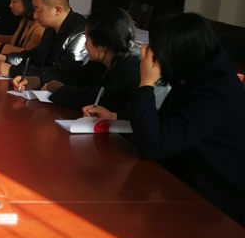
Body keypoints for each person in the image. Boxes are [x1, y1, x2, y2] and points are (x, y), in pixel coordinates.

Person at [86, 13, 245, 225]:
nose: (148, 52)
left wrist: (146, 84)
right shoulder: (198, 71)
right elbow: (165, 125)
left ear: (175, 51)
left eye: (154, 47)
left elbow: (153, 146)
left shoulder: (216, 94)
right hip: (182, 177)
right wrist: (116, 117)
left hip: (216, 204)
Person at [15, 7, 141, 112]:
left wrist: (59, 90)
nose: (85, 44)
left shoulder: (131, 70)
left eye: (87, 38)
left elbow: (94, 100)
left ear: (103, 46)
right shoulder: (104, 59)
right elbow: (75, 76)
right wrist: (39, 81)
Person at [0, 0, 90, 83]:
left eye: (38, 9)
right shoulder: (50, 27)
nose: (35, 15)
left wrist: (13, 70)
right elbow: (35, 55)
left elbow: (60, 73)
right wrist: (6, 58)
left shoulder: (80, 33)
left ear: (57, 10)